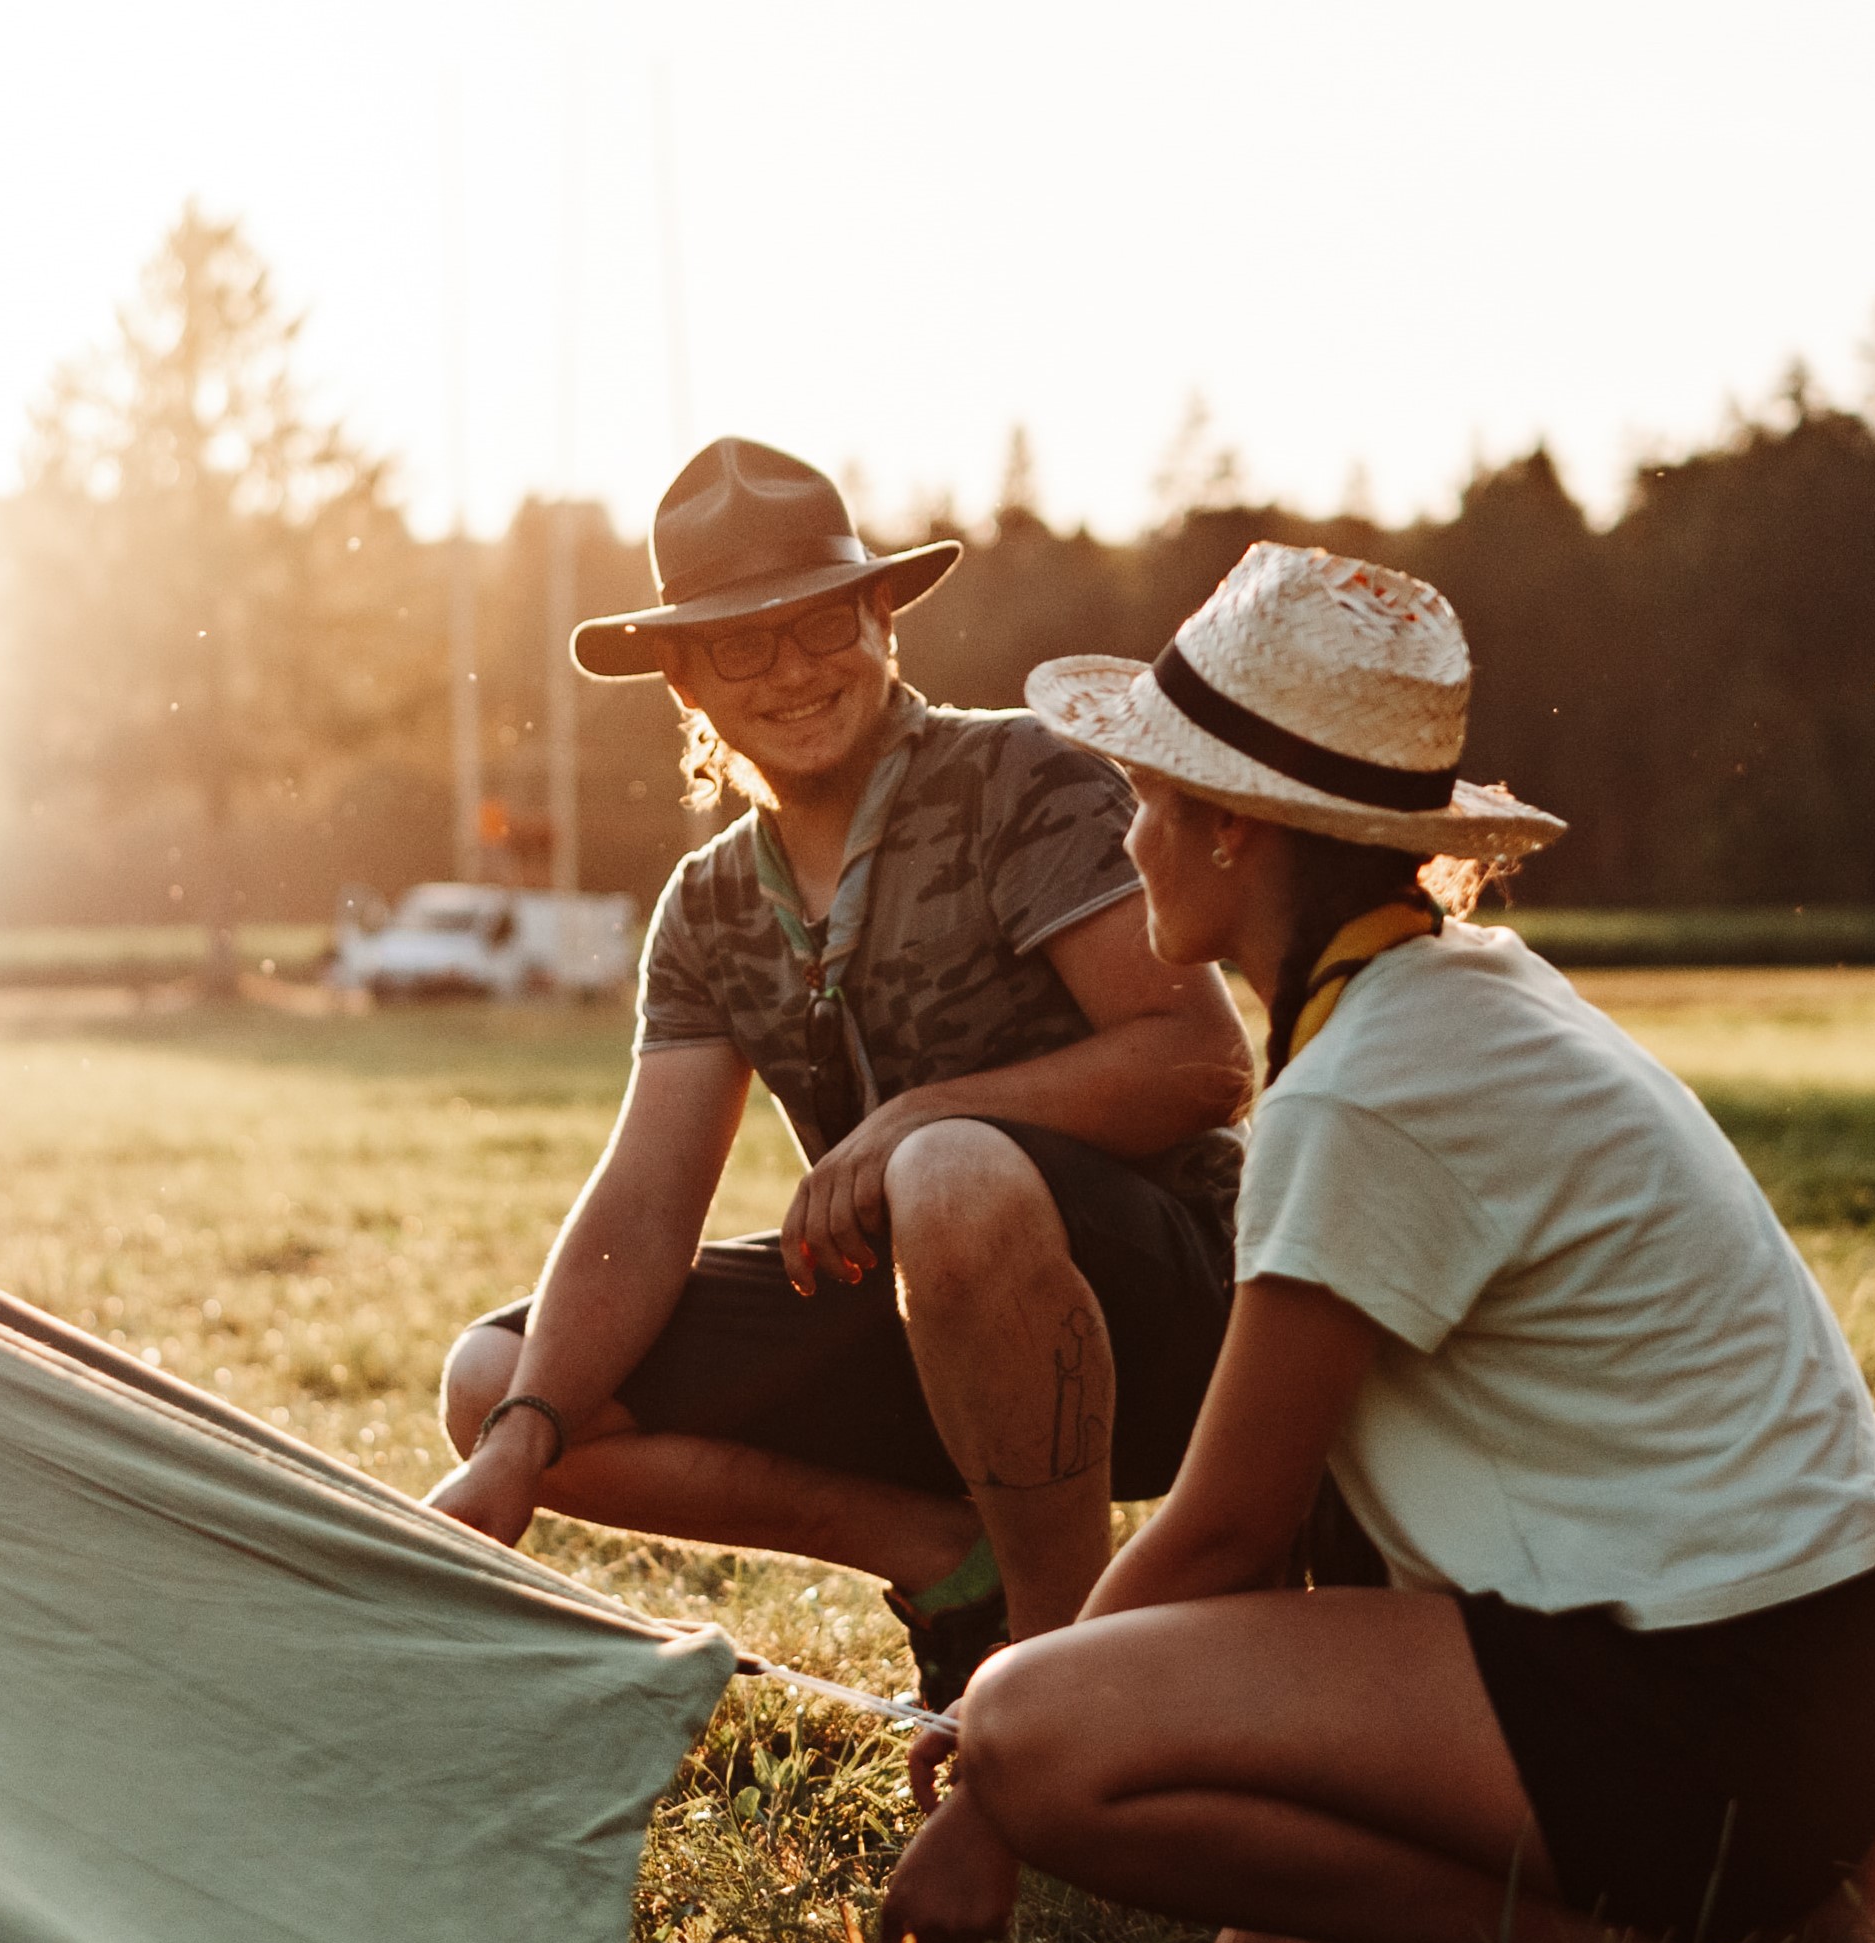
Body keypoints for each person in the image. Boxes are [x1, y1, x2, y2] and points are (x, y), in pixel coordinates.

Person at [877, 542, 1875, 1943]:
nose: (1129, 834)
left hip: (1707, 1708)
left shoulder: (1369, 1084)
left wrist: (991, 1774)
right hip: (1805, 1693)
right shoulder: (1464, 992)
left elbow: (1227, 1528)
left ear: (1234, 829)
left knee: (1043, 1740)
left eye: (1149, 797)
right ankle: (1781, 1895)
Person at [429, 439, 1255, 1704]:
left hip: (1173, 1321)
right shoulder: (707, 903)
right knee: (498, 1382)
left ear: (881, 616)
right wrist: (522, 1443)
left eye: (821, 623)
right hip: (920, 1326)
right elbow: (645, 1206)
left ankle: (1052, 1683)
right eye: (739, 645)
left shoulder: (1017, 776)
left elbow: (1199, 1062)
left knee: (950, 1173)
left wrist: (925, 1117)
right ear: (681, 676)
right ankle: (950, 1563)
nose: (791, 671)